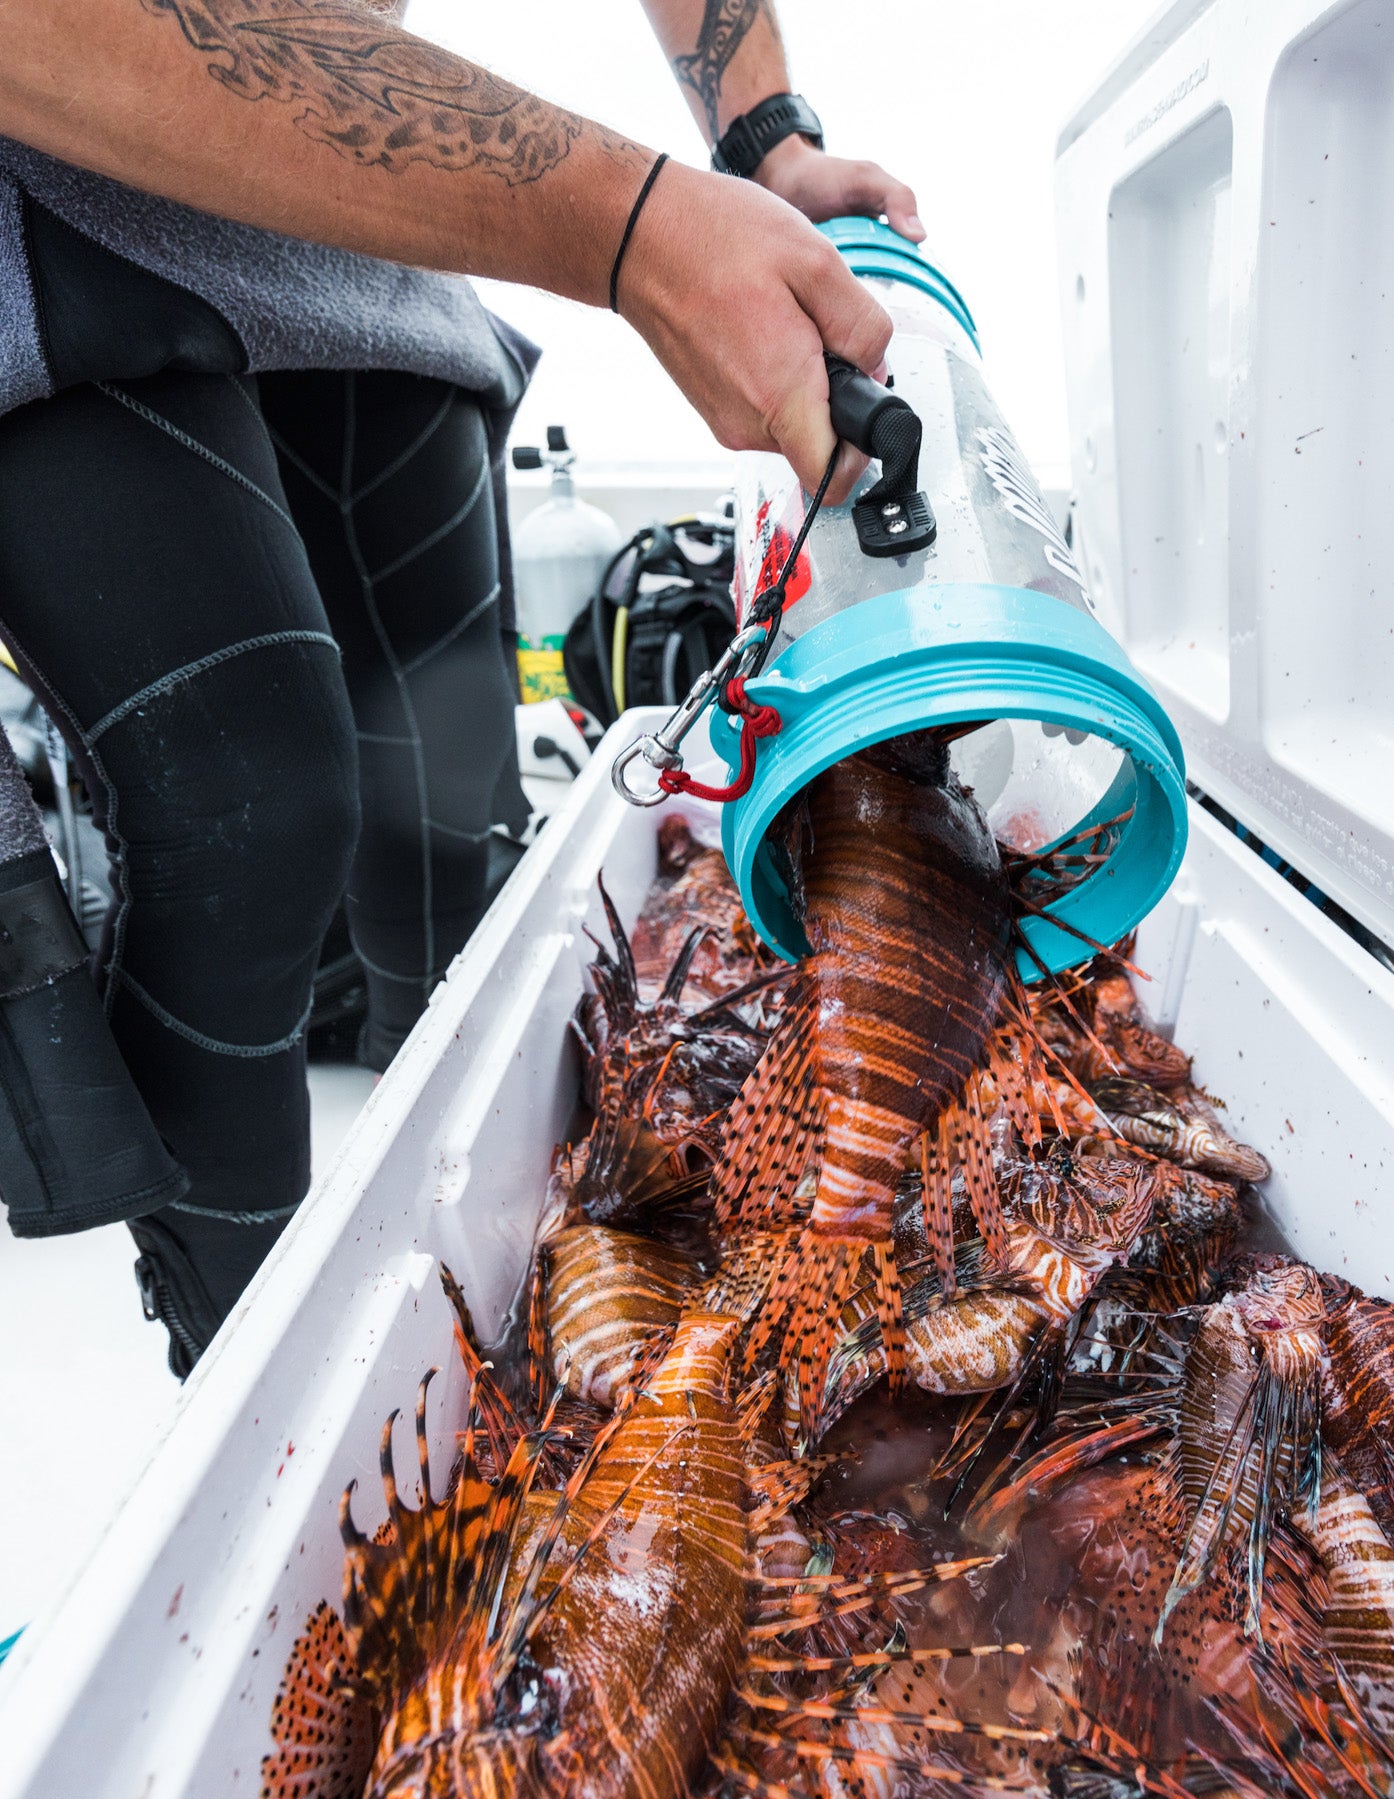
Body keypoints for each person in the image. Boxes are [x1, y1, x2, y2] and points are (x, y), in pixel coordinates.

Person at [0, 0, 920, 1371]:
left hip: (362, 217)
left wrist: (766, 138)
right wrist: (634, 231)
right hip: (53, 185)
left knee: (446, 808)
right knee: (258, 807)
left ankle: (494, 1290)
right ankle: (248, 1389)